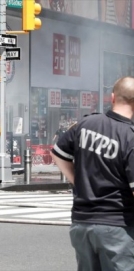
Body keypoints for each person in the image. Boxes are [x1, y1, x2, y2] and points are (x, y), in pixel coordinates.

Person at [50, 76, 134, 270]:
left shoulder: (85, 124)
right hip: (117, 225)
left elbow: (58, 153)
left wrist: (76, 180)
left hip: (82, 223)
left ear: (112, 97)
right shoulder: (130, 136)